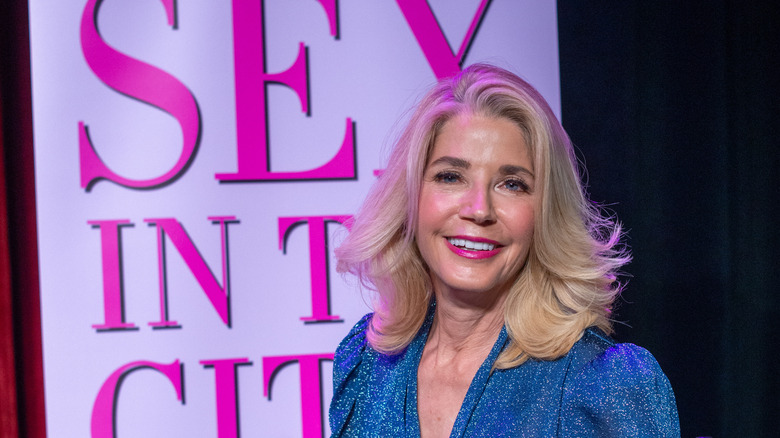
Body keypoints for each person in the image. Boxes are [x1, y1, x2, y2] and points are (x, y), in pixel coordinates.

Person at [329, 64, 679, 437]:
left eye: (512, 184)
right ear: (411, 198)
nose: (479, 209)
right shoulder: (366, 362)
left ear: (544, 213)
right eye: (451, 176)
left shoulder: (605, 386)